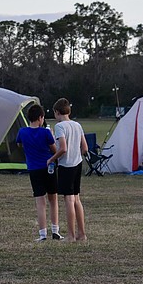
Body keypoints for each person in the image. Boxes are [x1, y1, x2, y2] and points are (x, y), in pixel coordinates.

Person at [15, 104, 60, 241]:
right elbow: (54, 150)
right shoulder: (45, 132)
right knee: (53, 199)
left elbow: (19, 145)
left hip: (34, 169)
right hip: (49, 168)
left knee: (40, 201)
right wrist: (51, 135)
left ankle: (42, 234)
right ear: (41, 118)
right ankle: (55, 230)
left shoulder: (22, 132)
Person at [50, 98, 89, 243]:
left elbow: (63, 148)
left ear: (57, 112)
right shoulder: (77, 125)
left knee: (68, 200)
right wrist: (76, 153)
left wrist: (52, 159)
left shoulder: (60, 127)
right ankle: (82, 234)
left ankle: (71, 236)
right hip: (78, 163)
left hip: (66, 166)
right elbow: (84, 148)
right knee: (77, 199)